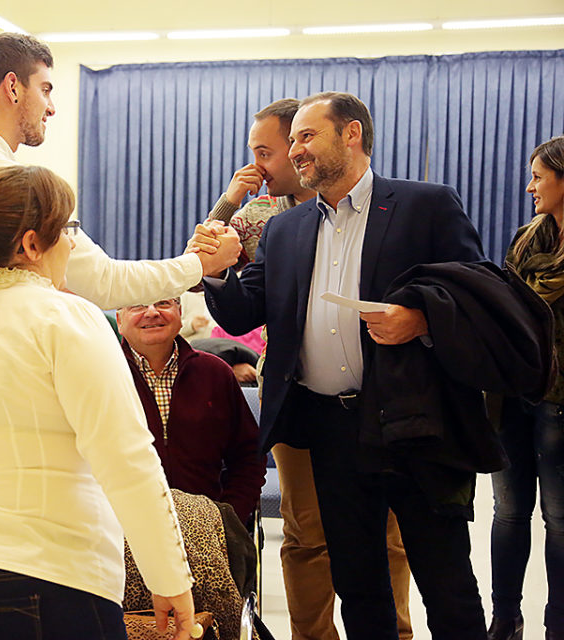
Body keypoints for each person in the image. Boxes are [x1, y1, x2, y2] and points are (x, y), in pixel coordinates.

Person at [200, 92, 489, 639]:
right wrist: (216, 274)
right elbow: (241, 312)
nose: (295, 150)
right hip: (328, 429)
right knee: (358, 583)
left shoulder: (426, 205)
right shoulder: (285, 229)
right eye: (292, 141)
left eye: (307, 136)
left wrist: (421, 319)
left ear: (351, 134)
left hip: (412, 422)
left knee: (444, 580)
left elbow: (476, 296)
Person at [0, 165, 195, 640]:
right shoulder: (66, 318)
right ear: (31, 245)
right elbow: (126, 458)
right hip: (37, 580)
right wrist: (170, 577)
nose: (72, 244)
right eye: (68, 230)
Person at [0, 32, 240, 311]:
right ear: (13, 87)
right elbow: (104, 282)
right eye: (45, 90)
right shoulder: (6, 183)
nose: (51, 108)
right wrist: (200, 265)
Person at [488, 136, 564, 640]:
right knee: (509, 513)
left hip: (561, 402)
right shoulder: (527, 239)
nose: (530, 187)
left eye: (538, 176)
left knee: (560, 519)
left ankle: (557, 624)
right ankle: (505, 619)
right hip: (513, 394)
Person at [117, 297, 264, 523]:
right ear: (119, 320)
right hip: (121, 528)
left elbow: (248, 455)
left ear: (179, 312)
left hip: (206, 526)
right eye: (138, 305)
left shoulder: (215, 373)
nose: (152, 312)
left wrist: (228, 518)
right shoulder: (99, 377)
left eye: (163, 303)